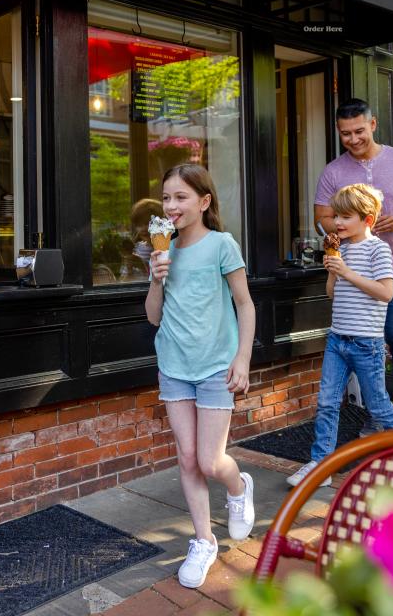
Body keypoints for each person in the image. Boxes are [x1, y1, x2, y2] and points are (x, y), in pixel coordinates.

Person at [146, 163, 256, 589]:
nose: (171, 206)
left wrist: (242, 358)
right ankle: (204, 540)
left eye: (181, 198)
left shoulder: (222, 245)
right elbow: (153, 317)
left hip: (215, 364)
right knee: (187, 458)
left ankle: (237, 486)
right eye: (166, 198)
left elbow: (245, 305)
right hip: (173, 363)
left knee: (211, 461)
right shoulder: (161, 249)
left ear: (204, 202)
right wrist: (156, 278)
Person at [313, 99, 393, 429]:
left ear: (373, 125)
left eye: (359, 131)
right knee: (368, 342)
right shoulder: (334, 171)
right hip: (353, 268)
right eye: (345, 134)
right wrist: (339, 232)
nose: (352, 139)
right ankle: (376, 411)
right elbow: (321, 217)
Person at [288, 184, 393, 488]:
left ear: (367, 219)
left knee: (377, 405)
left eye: (345, 217)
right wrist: (333, 271)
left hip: (366, 343)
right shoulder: (342, 248)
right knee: (326, 402)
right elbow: (332, 294)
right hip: (338, 339)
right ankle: (320, 464)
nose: (337, 222)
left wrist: (348, 272)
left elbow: (386, 293)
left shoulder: (378, 248)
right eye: (336, 216)